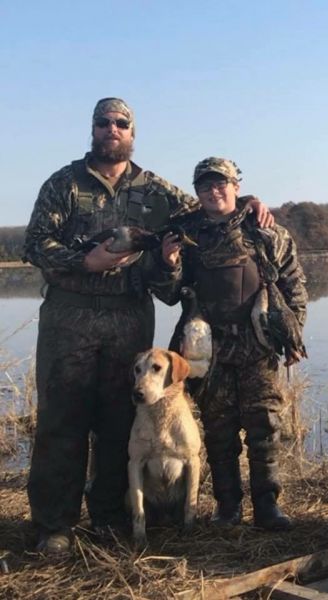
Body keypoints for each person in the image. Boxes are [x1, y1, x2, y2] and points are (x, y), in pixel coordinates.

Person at [23, 98, 274, 555]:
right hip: (69, 316)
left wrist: (248, 201)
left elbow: (207, 210)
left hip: (128, 315)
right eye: (104, 123)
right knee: (63, 420)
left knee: (120, 421)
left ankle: (109, 517)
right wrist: (85, 260)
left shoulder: (156, 190)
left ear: (132, 132)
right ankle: (54, 525)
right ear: (93, 129)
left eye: (122, 123)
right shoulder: (63, 183)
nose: (112, 129)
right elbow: (36, 244)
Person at [161, 157, 308, 530]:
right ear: (197, 192)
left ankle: (267, 507)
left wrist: (293, 335)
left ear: (236, 186)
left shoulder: (265, 231)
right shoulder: (184, 233)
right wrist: (170, 263)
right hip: (205, 347)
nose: (214, 191)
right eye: (205, 186)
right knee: (218, 430)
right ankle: (227, 507)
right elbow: (168, 294)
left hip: (257, 344)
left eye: (221, 183)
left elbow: (294, 287)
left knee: (264, 427)